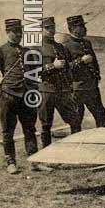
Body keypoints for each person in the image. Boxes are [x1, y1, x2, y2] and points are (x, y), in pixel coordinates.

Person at [0, 19, 51, 173]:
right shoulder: (1, 51)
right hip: (8, 96)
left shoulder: (27, 52)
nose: (18, 35)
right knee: (8, 130)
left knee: (29, 128)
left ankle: (34, 161)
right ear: (7, 32)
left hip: (26, 95)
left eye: (20, 32)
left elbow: (36, 72)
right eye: (15, 32)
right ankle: (11, 162)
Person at [37, 17, 81, 147]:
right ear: (41, 30)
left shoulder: (61, 47)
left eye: (52, 27)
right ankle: (46, 156)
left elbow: (68, 68)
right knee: (46, 125)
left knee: (75, 121)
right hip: (46, 91)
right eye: (47, 28)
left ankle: (75, 150)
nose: (51, 30)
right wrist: (52, 66)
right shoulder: (35, 48)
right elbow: (31, 71)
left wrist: (70, 87)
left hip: (62, 91)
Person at [63, 15, 105, 128]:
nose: (85, 28)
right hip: (77, 90)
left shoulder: (87, 43)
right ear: (73, 28)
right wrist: (81, 61)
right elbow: (65, 69)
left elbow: (94, 61)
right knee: (76, 120)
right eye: (81, 26)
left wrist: (97, 77)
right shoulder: (65, 46)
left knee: (101, 116)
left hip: (92, 88)